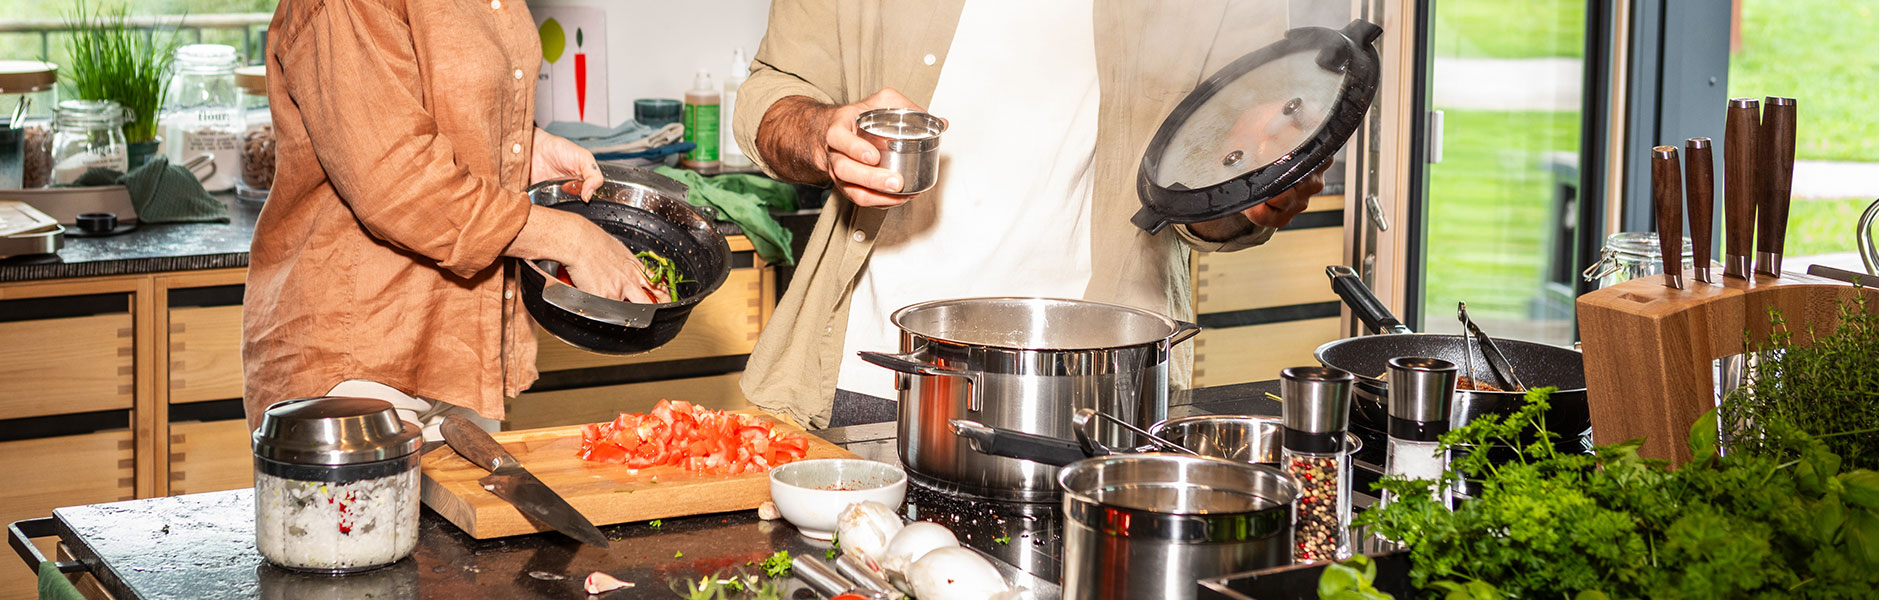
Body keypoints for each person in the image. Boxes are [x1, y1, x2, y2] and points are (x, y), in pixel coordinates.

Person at [733, 0, 1326, 428]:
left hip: (1100, 389)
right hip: (876, 374)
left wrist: (1251, 192)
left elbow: (1217, 181)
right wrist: (820, 131)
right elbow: (774, 92)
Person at [242, 0, 662, 437]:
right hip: (361, 354)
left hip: (461, 353)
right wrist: (573, 240)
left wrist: (525, 147)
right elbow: (397, 181)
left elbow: (432, 99)